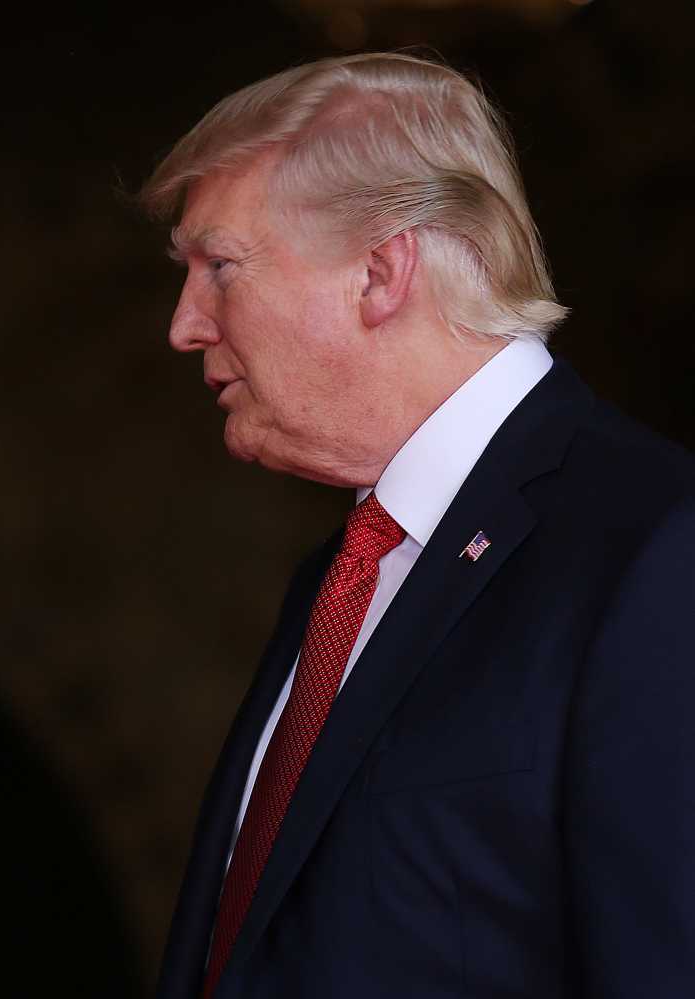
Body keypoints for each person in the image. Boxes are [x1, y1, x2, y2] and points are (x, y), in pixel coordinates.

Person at [142, 52, 695, 998]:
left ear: (380, 270)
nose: (184, 324)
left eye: (220, 266)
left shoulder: (656, 550)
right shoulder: (344, 571)